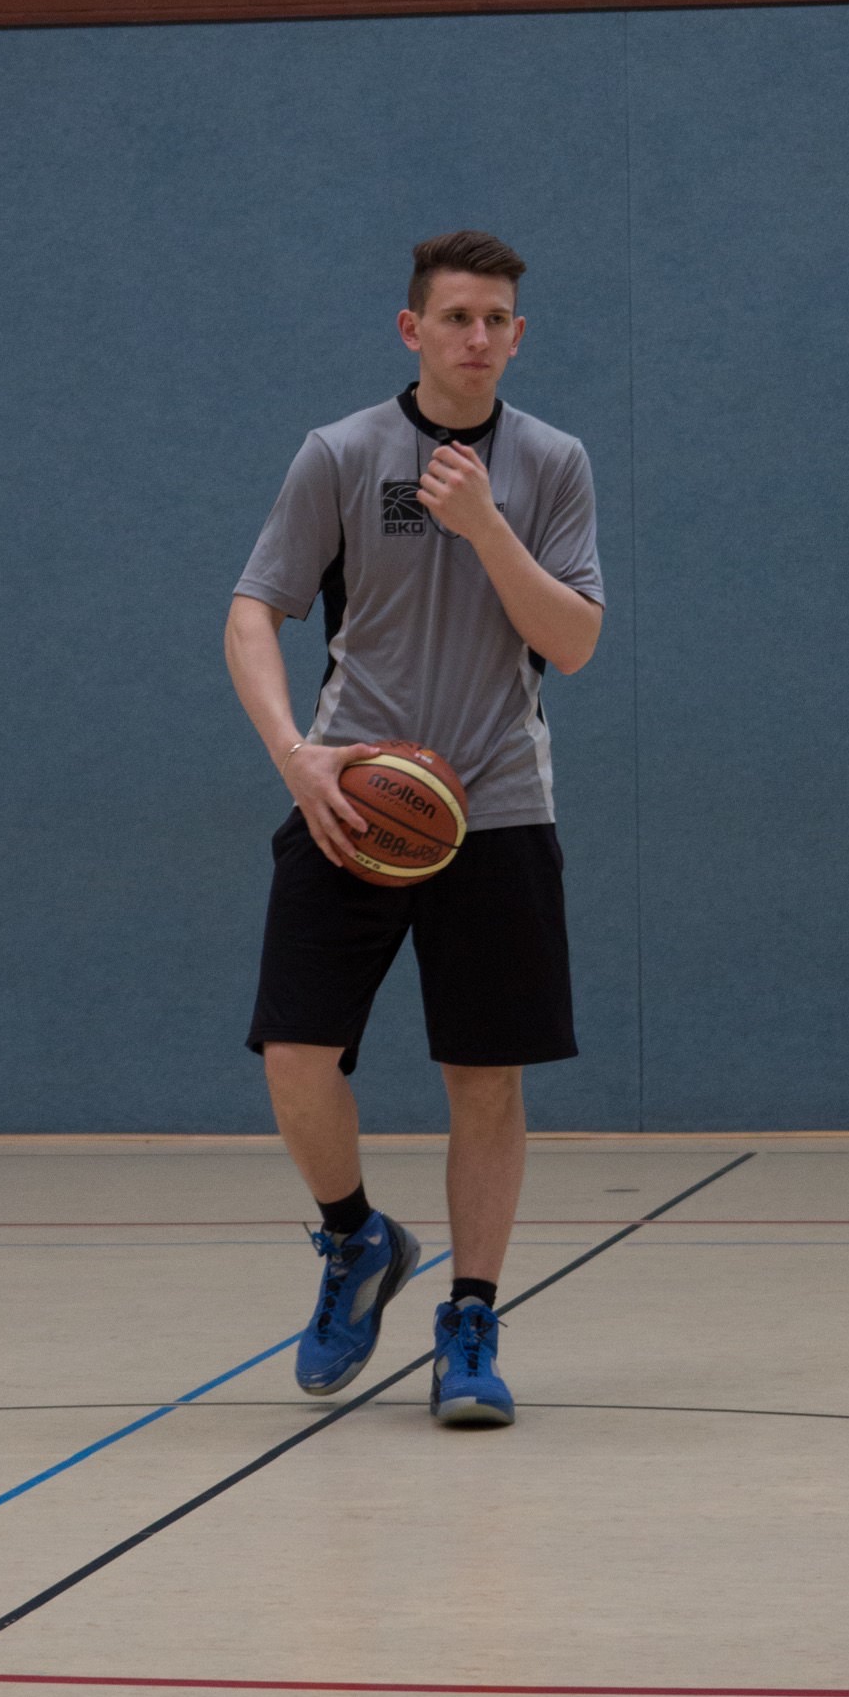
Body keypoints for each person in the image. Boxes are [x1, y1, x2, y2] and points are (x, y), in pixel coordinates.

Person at [224, 231, 603, 1428]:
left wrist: (487, 526)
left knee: (481, 1078)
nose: (475, 338)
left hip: (495, 808)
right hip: (355, 798)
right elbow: (252, 611)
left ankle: (471, 1317)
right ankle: (355, 1238)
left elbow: (573, 643)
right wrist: (297, 758)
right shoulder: (340, 454)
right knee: (294, 1053)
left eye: (495, 320)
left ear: (517, 337)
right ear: (411, 329)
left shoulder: (551, 463)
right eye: (454, 318)